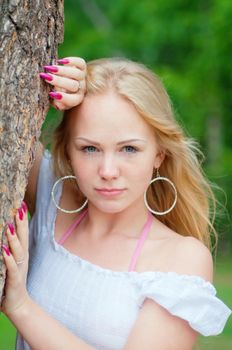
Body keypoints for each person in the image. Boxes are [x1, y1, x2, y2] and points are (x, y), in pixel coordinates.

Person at [1, 57, 231, 350]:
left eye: (129, 149)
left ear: (159, 154)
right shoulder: (51, 195)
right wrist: (44, 84)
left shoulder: (180, 260)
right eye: (90, 148)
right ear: (68, 152)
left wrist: (21, 307)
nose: (108, 171)